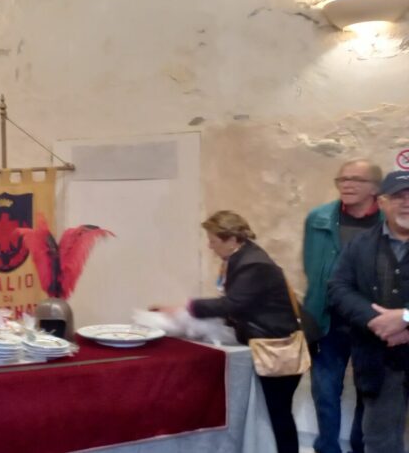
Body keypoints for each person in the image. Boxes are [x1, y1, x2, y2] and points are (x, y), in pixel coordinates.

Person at [158, 210, 301, 453]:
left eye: (213, 240)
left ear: (232, 240)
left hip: (276, 348)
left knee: (277, 414)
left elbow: (233, 304)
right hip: (266, 342)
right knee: (273, 413)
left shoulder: (253, 265)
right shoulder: (243, 258)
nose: (210, 246)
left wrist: (186, 308)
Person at [303, 159, 381, 453]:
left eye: (356, 180)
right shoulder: (318, 218)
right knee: (324, 390)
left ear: (375, 188)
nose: (347, 185)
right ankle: (327, 447)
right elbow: (311, 265)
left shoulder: (388, 222)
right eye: (342, 179)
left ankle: (361, 446)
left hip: (371, 319)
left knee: (369, 390)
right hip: (327, 318)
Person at [329, 170, 409, 453]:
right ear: (382, 202)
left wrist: (404, 319)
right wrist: (376, 321)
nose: (406, 203)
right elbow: (338, 288)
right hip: (378, 359)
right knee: (379, 441)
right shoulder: (360, 245)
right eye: (398, 197)